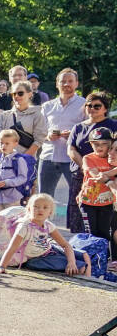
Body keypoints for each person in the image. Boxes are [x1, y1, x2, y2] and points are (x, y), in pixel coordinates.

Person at [0, 193, 88, 276]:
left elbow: (66, 245)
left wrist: (71, 263)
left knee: (84, 256)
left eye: (45, 207)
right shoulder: (24, 226)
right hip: (35, 259)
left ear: (50, 212)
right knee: (81, 267)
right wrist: (1, 267)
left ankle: (90, 281)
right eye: (36, 206)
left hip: (49, 250)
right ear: (29, 209)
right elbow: (12, 248)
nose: (40, 210)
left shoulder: (48, 225)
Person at [67, 91, 117, 234]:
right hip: (83, 175)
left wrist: (108, 174)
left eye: (97, 106)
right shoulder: (78, 127)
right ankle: (85, 252)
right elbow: (71, 149)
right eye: (89, 105)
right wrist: (87, 167)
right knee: (83, 218)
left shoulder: (113, 125)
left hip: (110, 176)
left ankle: (108, 253)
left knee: (107, 223)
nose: (92, 108)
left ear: (105, 108)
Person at [0, 81, 48, 197]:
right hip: (6, 166)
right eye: (13, 94)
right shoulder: (5, 115)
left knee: (24, 203)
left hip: (26, 165)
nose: (16, 96)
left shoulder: (37, 114)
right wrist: (6, 158)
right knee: (4, 204)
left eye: (20, 93)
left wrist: (20, 161)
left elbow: (39, 140)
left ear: (30, 94)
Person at [39, 69, 85, 204]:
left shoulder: (84, 105)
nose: (66, 84)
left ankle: (75, 225)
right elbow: (39, 131)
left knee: (77, 197)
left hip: (72, 158)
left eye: (70, 81)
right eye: (63, 81)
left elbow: (89, 130)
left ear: (76, 83)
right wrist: (48, 135)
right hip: (48, 157)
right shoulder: (47, 106)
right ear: (57, 84)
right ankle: (44, 225)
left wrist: (73, 136)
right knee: (44, 198)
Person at [77, 127, 116, 260]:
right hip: (88, 202)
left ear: (110, 144)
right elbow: (95, 175)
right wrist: (109, 174)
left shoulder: (112, 158)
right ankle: (91, 260)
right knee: (91, 232)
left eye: (104, 144)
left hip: (107, 202)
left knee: (105, 232)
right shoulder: (88, 158)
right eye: (95, 144)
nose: (99, 147)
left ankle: (103, 259)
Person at [0, 129, 33, 211]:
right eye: (1, 143)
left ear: (15, 144)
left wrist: (6, 183)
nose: (3, 146)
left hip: (13, 197)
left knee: (12, 219)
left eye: (7, 143)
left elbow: (22, 177)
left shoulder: (18, 159)